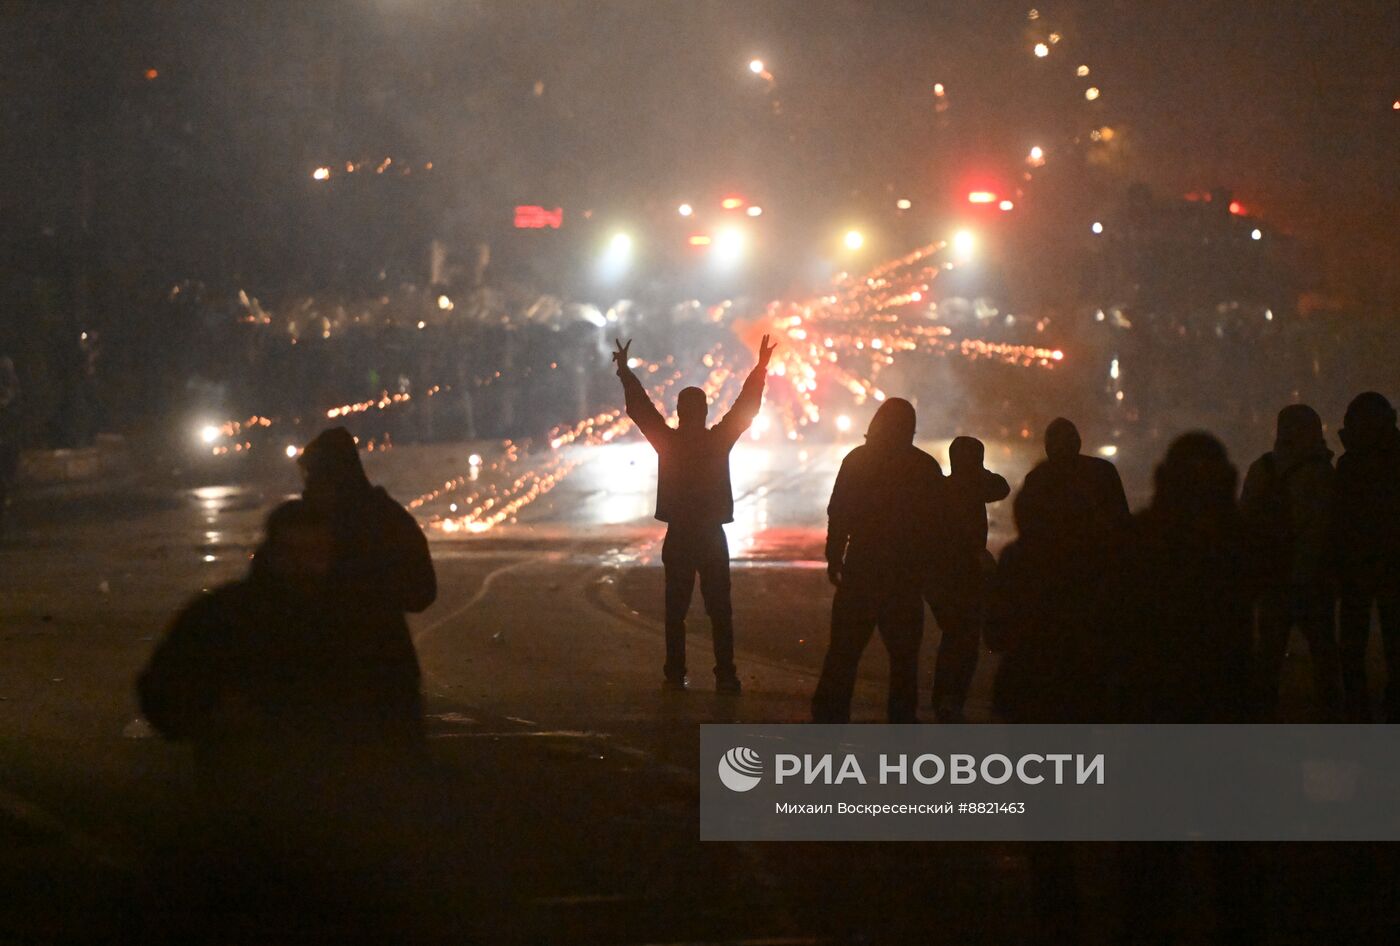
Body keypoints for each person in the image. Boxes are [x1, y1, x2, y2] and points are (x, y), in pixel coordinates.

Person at [612, 335, 775, 692]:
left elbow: (640, 409)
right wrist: (760, 368)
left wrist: (625, 372)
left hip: (680, 534)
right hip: (711, 535)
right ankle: (726, 674)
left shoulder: (668, 443)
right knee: (720, 610)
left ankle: (674, 672)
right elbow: (746, 408)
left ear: (679, 412)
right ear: (703, 412)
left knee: (676, 610)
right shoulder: (717, 442)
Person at [297, 426, 436, 736]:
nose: (306, 487)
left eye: (312, 477)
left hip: (338, 677)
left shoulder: (306, 525)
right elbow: (422, 591)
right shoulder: (388, 518)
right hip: (385, 671)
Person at [812, 398, 945, 723]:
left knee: (843, 653)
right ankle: (901, 726)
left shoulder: (857, 460)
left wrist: (834, 555)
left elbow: (839, 513)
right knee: (903, 662)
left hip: (862, 569)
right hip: (904, 576)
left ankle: (829, 720)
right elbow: (937, 525)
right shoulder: (924, 466)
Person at [1240, 404, 1341, 719]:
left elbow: (1245, 519)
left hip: (1275, 577)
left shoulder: (1264, 469)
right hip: (1314, 580)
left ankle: (1262, 719)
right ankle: (1334, 718)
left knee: (1268, 657)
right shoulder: (1325, 474)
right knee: (1324, 655)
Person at [926, 436, 1008, 722]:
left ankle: (945, 698)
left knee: (954, 638)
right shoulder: (974, 487)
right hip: (964, 572)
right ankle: (951, 699)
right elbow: (1002, 487)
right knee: (965, 640)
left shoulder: (944, 488)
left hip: (944, 573)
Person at [1332, 392, 1400, 722]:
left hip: (1356, 567)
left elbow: (1340, 519)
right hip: (1392, 564)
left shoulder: (1348, 466)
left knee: (1353, 646)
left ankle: (1357, 709)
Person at [1014, 416, 1130, 550]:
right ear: (1078, 443)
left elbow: (1027, 524)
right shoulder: (1103, 470)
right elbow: (1121, 516)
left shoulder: (1037, 478)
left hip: (1052, 557)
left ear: (1048, 447)